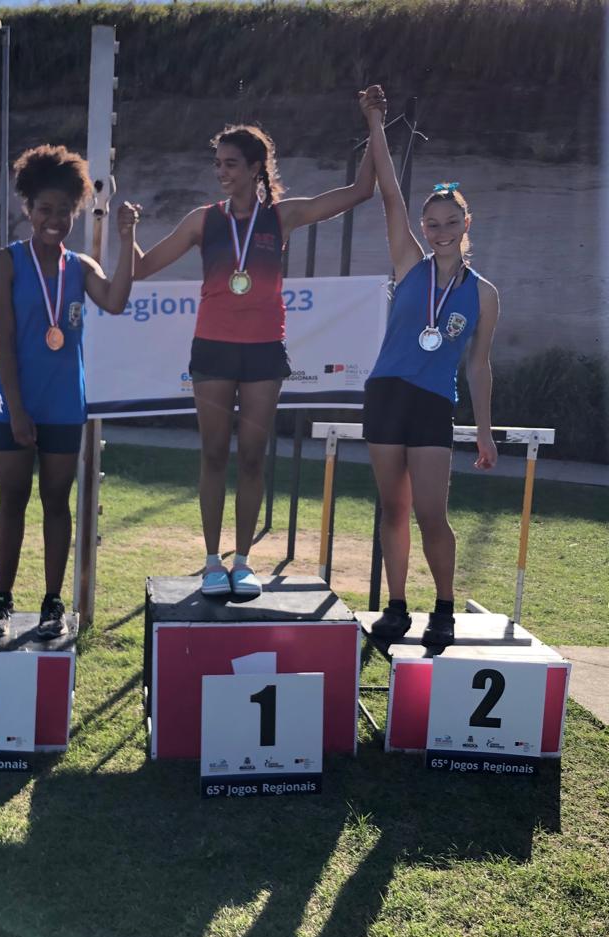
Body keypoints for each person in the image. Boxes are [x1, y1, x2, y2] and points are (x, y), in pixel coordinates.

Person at [133, 93, 383, 597]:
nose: (221, 172)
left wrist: (375, 122)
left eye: (230, 164)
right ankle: (210, 563)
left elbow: (361, 191)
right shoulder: (203, 220)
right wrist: (122, 231)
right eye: (217, 163)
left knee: (251, 457)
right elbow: (139, 268)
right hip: (213, 350)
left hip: (265, 351)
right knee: (212, 456)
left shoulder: (282, 217)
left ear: (254, 168)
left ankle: (243, 561)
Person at [360, 86, 500, 647]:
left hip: (432, 405)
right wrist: (375, 121)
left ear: (467, 225)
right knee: (391, 507)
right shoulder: (408, 264)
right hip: (386, 393)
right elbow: (389, 194)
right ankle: (396, 606)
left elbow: (480, 365)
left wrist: (484, 430)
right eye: (431, 224)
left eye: (449, 222)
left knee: (429, 512)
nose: (439, 232)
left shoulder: (484, 295)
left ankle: (443, 606)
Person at [0, 144, 139, 640]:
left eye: (64, 211)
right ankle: (2, 602)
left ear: (74, 212)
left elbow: (114, 301)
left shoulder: (80, 266)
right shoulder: (4, 262)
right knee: (13, 500)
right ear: (27, 209)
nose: (54, 220)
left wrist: (128, 239)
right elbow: (4, 342)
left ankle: (52, 604)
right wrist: (19, 410)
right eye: (44, 209)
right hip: (15, 403)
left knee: (57, 503)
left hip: (65, 405)